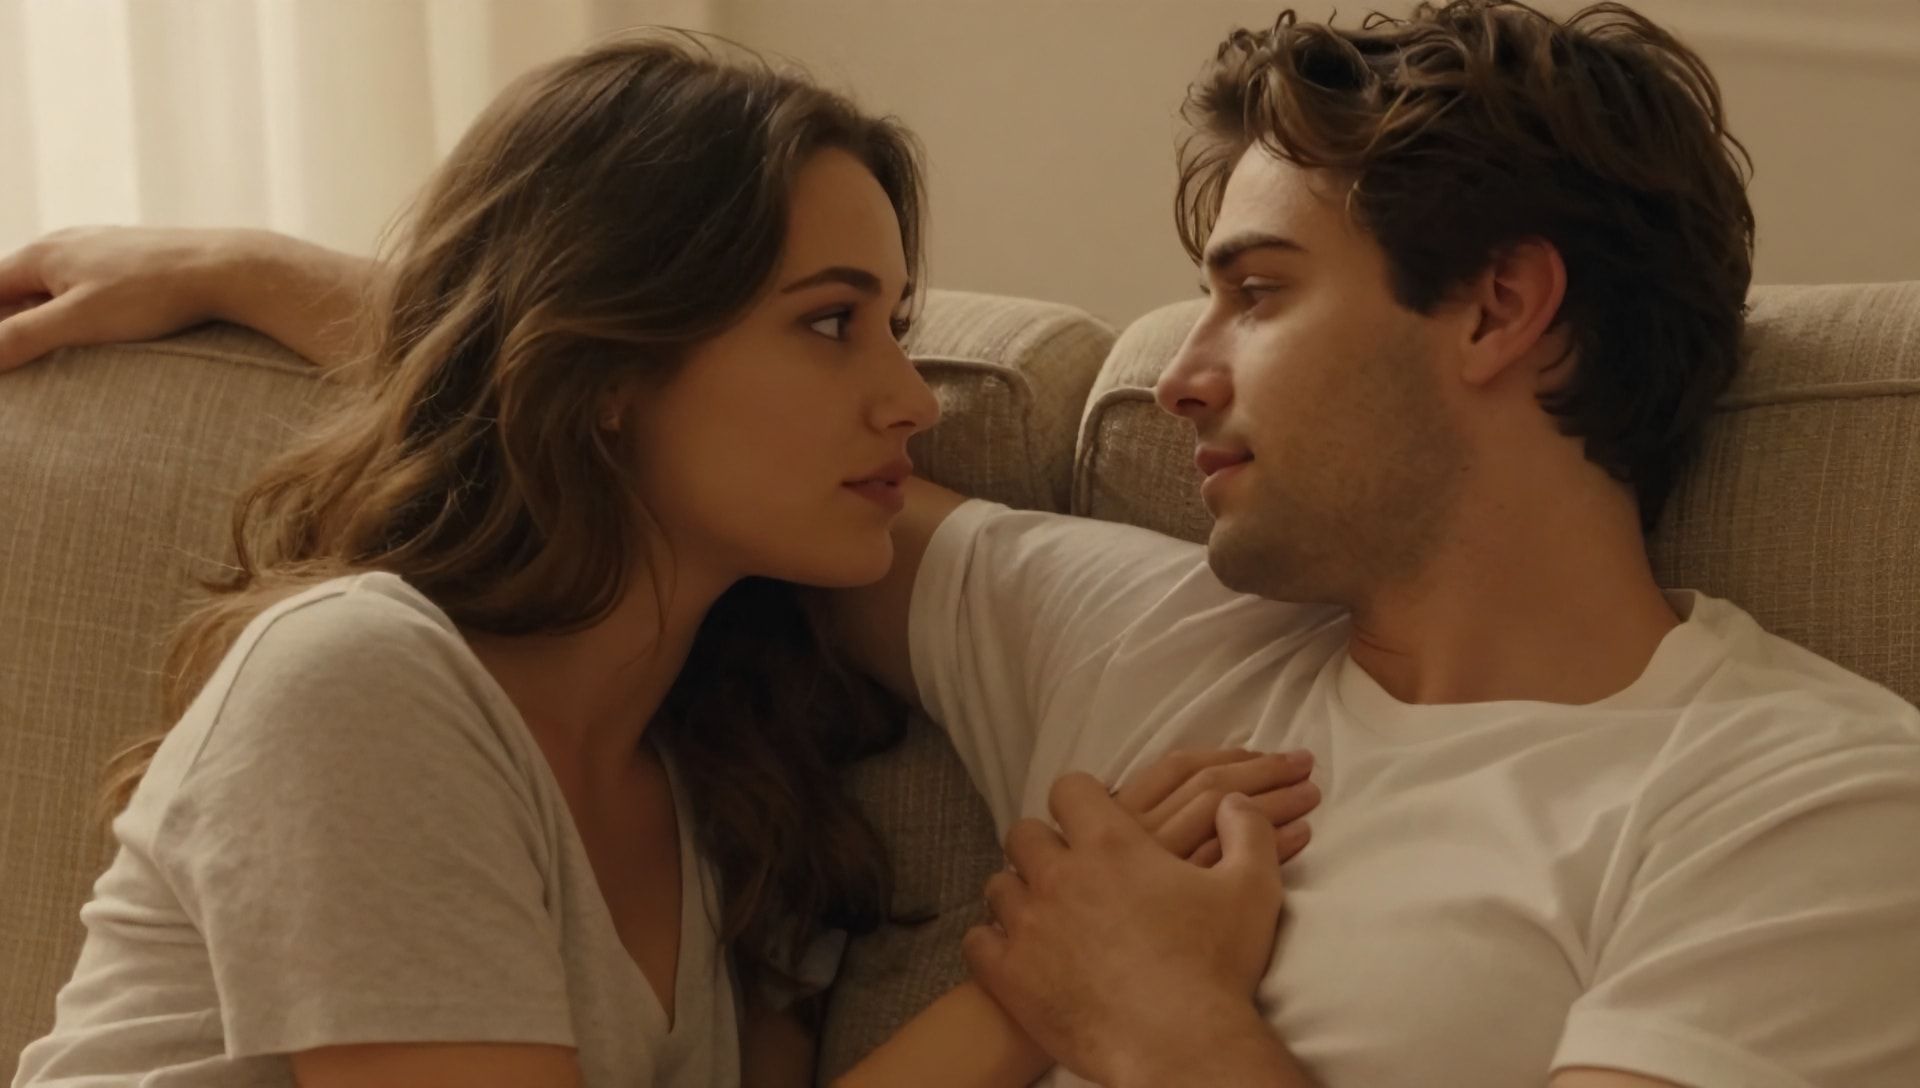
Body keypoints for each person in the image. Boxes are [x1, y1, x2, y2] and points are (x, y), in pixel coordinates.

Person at [6, 3, 1918, 1088]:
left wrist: (1166, 1028)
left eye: (1257, 292)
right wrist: (257, 267)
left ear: (1500, 308)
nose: (1185, 373)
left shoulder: (1806, 800)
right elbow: (641, 397)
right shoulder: (1145, 639)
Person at [0, 31, 1323, 1088]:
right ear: (608, 371)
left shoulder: (727, 788)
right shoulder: (358, 683)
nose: (913, 401)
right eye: (831, 325)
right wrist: (1047, 987)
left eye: (898, 327)